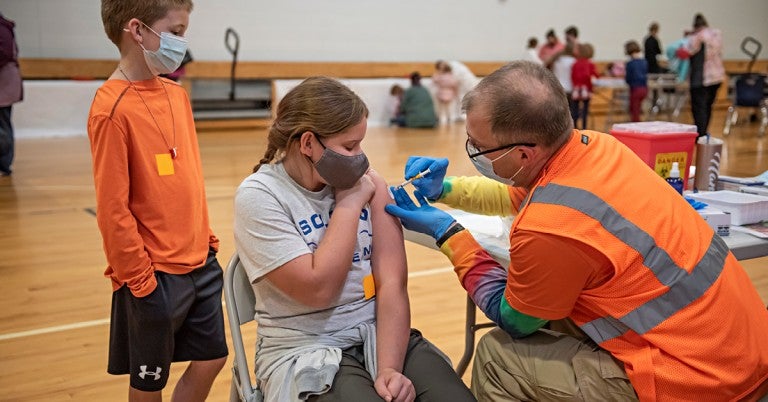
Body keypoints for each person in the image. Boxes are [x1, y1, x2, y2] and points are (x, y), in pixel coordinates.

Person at [385, 61, 768, 401]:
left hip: (698, 383)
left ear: (523, 153)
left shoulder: (548, 228)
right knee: (559, 317)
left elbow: (514, 319)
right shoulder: (598, 148)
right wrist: (445, 190)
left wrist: (451, 236)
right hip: (741, 351)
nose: (472, 152)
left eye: (478, 147)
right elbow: (520, 193)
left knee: (497, 355)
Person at [233, 76, 475, 402]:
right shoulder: (261, 196)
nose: (360, 157)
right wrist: (348, 203)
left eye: (361, 143)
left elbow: (392, 283)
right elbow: (318, 290)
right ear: (308, 144)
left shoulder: (367, 183)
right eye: (349, 147)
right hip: (303, 347)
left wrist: (389, 368)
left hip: (379, 334)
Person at [87, 1, 228, 400]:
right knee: (150, 381)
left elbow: (186, 177)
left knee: (213, 358)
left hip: (201, 260)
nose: (182, 43)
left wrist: (208, 239)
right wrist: (141, 282)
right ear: (138, 30)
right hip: (153, 276)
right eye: (177, 32)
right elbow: (113, 208)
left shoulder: (176, 95)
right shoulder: (110, 109)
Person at [677, 13, 725, 139]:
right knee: (708, 106)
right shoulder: (717, 34)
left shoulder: (696, 37)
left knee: (699, 107)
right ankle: (704, 132)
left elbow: (685, 53)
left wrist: (685, 39)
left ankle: (700, 134)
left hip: (701, 78)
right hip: (717, 77)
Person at [0, 12, 22, 177]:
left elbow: (5, 53)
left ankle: (4, 165)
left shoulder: (2, 28)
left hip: (4, 83)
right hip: (4, 82)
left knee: (3, 125)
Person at [571, 43, 599, 129]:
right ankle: (584, 127)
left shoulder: (575, 63)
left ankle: (575, 127)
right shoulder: (590, 64)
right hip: (586, 88)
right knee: (585, 110)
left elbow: (572, 76)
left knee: (575, 109)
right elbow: (594, 75)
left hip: (576, 88)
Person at [551, 44, 577, 122]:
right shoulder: (573, 61)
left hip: (558, 87)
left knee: (559, 111)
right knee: (570, 110)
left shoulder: (557, 60)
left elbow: (554, 73)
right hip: (570, 87)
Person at [624, 40, 648, 122]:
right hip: (644, 88)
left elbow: (628, 78)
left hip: (635, 89)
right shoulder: (644, 62)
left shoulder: (630, 63)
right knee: (638, 109)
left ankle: (636, 128)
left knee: (634, 111)